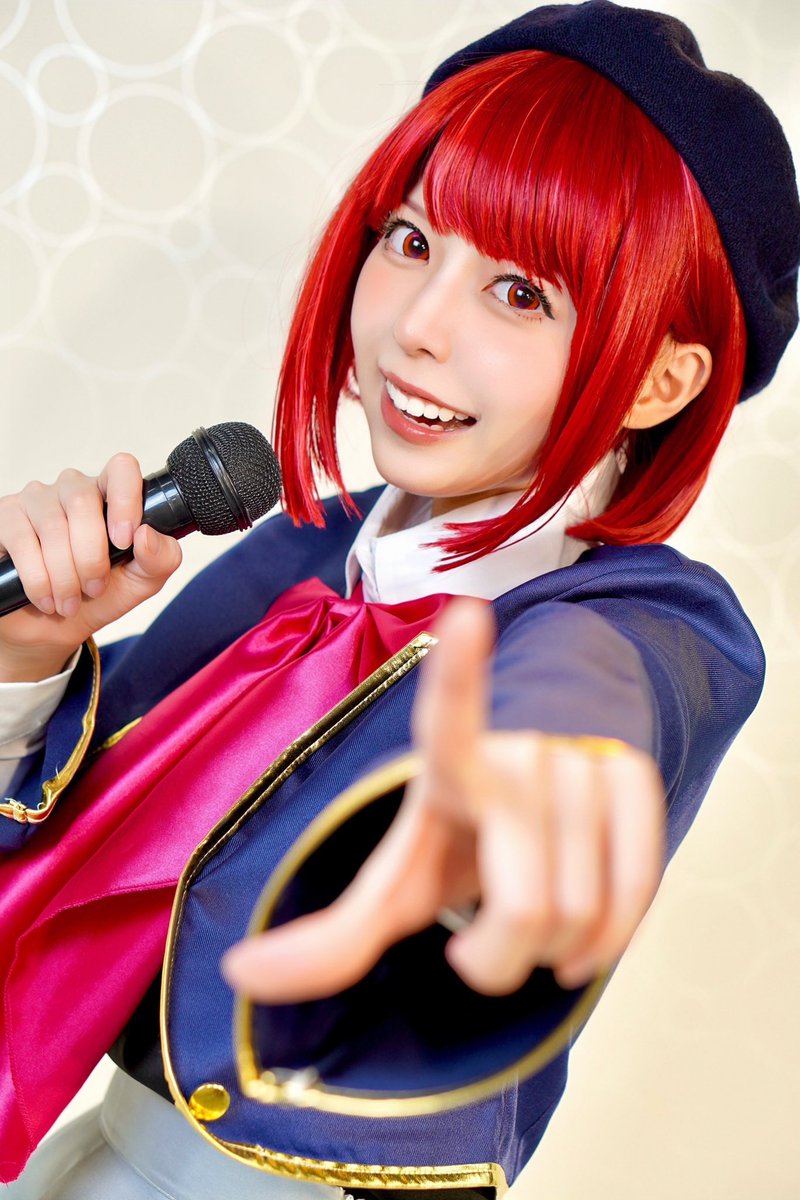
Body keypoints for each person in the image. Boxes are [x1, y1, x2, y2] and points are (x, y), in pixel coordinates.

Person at [0, 2, 797, 1196]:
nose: (416, 327)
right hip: (93, 1155)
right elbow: (63, 834)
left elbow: (603, 695)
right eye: (411, 240)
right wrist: (32, 658)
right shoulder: (304, 549)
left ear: (657, 378)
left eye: (519, 294)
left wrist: (524, 788)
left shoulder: (648, 625)